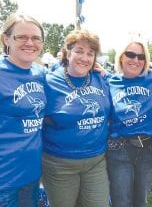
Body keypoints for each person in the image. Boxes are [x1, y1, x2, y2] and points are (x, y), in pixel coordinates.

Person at [42, 29, 111, 207]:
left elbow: (128, 78)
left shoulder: (101, 79)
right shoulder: (48, 82)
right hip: (60, 164)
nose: (85, 58)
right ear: (67, 52)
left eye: (90, 53)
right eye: (79, 51)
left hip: (96, 161)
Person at [106, 38, 152, 207]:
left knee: (140, 201)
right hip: (118, 149)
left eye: (141, 56)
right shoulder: (108, 81)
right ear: (121, 57)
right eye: (130, 54)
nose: (136, 60)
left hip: (148, 148)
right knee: (121, 201)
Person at [0, 14, 47, 207]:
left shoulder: (40, 73)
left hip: (31, 175)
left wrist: (95, 68)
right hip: (4, 181)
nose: (30, 43)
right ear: (6, 39)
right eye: (22, 37)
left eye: (36, 38)